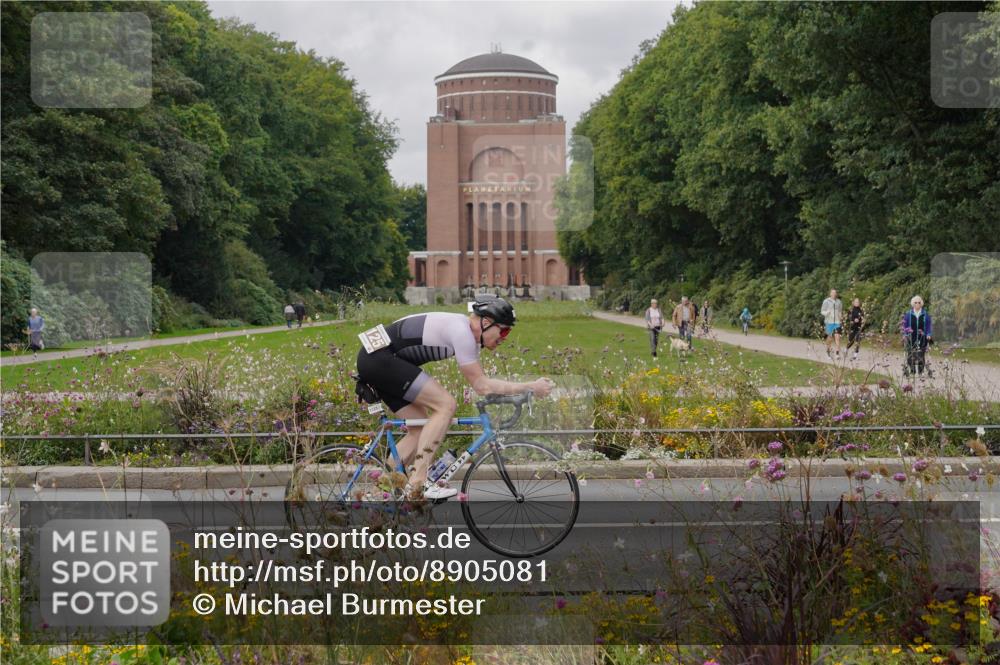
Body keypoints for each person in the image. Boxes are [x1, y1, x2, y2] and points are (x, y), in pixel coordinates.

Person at [355, 295, 555, 500]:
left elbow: (481, 383)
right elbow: (482, 386)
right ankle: (418, 483)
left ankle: (382, 494)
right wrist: (529, 387)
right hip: (380, 358)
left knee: (420, 427)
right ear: (486, 322)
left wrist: (518, 389)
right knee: (446, 405)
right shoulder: (462, 332)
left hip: (376, 357)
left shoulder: (463, 330)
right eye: (503, 330)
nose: (505, 337)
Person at [901, 295, 933, 378]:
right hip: (911, 336)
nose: (917, 304)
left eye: (919, 302)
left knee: (921, 354)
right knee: (910, 354)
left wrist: (929, 334)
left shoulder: (925, 314)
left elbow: (929, 325)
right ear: (912, 304)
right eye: (915, 302)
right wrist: (905, 334)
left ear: (921, 303)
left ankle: (921, 372)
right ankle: (912, 371)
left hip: (923, 337)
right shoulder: (908, 314)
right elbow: (904, 325)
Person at [821, 289, 844, 359]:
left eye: (835, 293)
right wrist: (827, 313)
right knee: (830, 338)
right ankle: (828, 352)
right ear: (830, 294)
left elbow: (840, 311)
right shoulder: (826, 301)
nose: (834, 294)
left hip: (837, 322)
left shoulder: (839, 302)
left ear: (836, 294)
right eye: (832, 293)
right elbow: (822, 311)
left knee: (837, 337)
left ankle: (837, 354)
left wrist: (841, 318)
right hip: (829, 322)